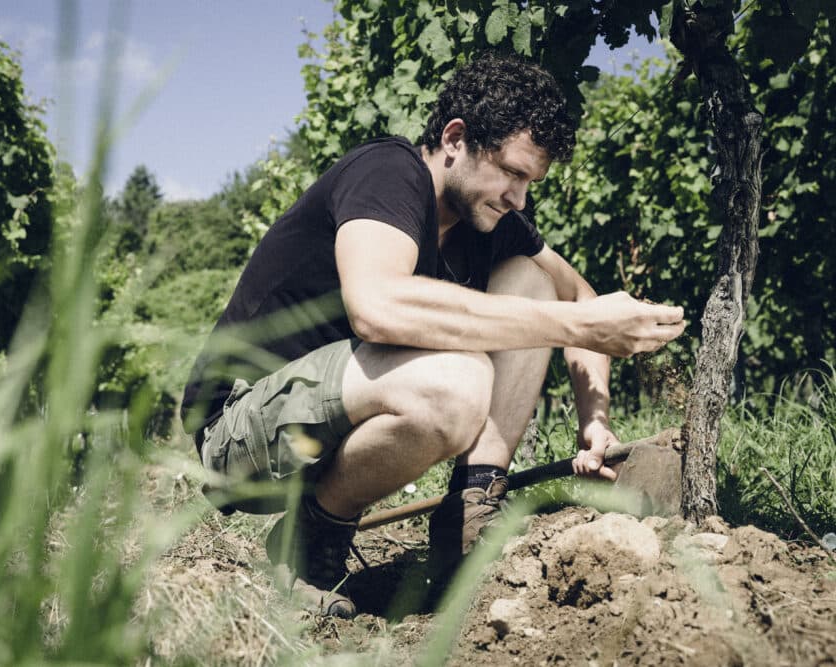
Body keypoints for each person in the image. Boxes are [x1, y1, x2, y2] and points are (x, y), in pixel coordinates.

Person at [181, 53, 685, 618]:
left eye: (531, 182)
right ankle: (307, 547)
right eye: (512, 173)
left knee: (532, 281)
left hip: (334, 432)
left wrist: (595, 420)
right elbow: (377, 307)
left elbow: (581, 299)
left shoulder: (488, 222)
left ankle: (470, 511)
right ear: (455, 138)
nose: (519, 197)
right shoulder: (388, 173)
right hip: (242, 435)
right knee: (457, 381)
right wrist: (571, 325)